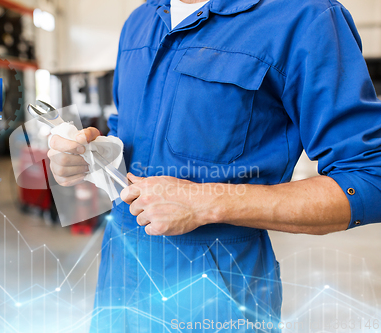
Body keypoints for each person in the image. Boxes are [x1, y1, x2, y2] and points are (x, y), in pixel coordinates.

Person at [47, 0, 381, 331]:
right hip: (118, 285)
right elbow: (129, 139)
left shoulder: (305, 17)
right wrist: (90, 158)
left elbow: (370, 178)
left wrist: (206, 202)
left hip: (216, 302)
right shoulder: (139, 21)